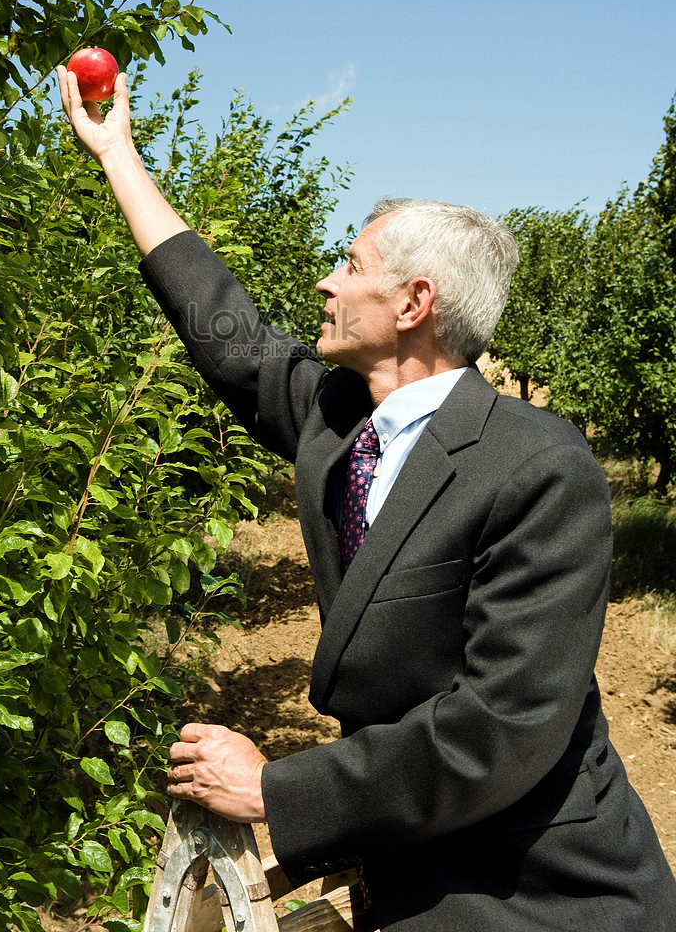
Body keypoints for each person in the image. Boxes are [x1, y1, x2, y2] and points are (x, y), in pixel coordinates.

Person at [59, 68, 676, 931]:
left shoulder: (539, 466)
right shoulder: (340, 417)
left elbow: (500, 727)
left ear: (414, 302)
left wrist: (275, 788)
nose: (325, 283)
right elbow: (223, 328)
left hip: (533, 890)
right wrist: (117, 153)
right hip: (406, 861)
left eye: (350, 265)